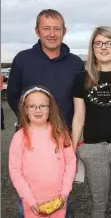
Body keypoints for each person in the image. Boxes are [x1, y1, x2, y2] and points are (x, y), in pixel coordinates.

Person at [70, 26, 111, 218]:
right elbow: (79, 117)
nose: (104, 47)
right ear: (92, 48)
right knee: (98, 204)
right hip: (93, 149)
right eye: (98, 43)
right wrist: (71, 150)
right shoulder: (81, 78)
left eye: (109, 43)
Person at [7, 9, 84, 131]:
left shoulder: (76, 63)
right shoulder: (22, 59)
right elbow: (12, 96)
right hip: (30, 134)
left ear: (64, 31)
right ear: (37, 31)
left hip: (65, 135)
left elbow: (80, 102)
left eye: (57, 29)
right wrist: (27, 122)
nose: (52, 34)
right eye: (46, 28)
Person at [9, 85, 77, 218]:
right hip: (30, 201)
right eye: (32, 106)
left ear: (50, 109)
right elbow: (15, 171)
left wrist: (65, 192)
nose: (38, 110)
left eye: (43, 106)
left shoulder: (61, 134)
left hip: (60, 198)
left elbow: (70, 163)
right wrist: (29, 199)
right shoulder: (19, 137)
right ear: (25, 110)